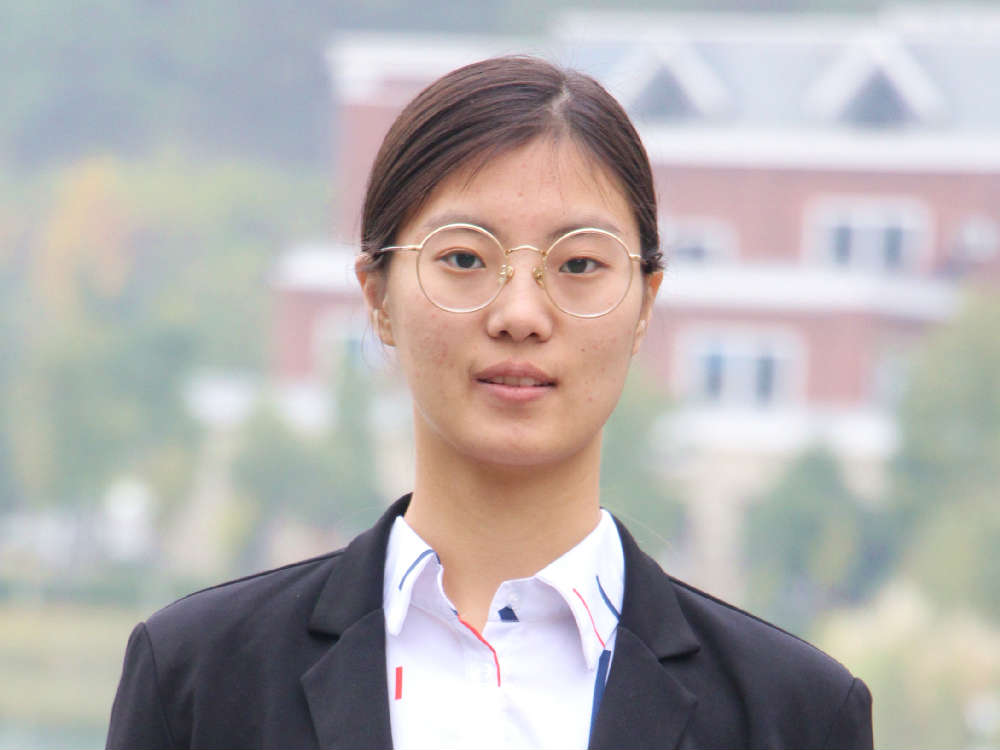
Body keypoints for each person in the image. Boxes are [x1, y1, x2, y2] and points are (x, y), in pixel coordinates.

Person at [106, 56, 873, 749]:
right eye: (465, 257)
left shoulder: (795, 714)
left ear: (645, 304)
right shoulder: (200, 678)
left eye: (579, 264)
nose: (521, 314)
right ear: (377, 297)